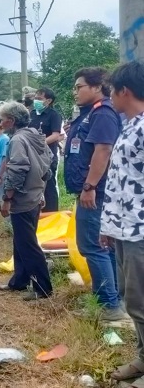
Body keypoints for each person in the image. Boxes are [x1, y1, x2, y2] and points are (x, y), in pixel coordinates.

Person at [64, 67, 124, 321]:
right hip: (91, 190)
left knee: (92, 246)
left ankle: (108, 305)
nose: (75, 92)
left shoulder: (103, 114)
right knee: (102, 246)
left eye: (79, 87)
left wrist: (89, 187)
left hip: (95, 192)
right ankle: (111, 298)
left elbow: (103, 151)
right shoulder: (90, 114)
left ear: (97, 86)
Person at [103, 61, 144, 385]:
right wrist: (109, 226)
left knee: (139, 301)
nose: (110, 98)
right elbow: (119, 181)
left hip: (140, 229)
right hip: (124, 227)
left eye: (112, 92)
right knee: (134, 300)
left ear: (124, 91)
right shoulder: (128, 124)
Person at [0, 101, 53, 301]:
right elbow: (47, 166)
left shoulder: (17, 140)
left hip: (23, 198)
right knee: (21, 240)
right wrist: (41, 191)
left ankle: (42, 288)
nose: (1, 123)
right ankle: (19, 281)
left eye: (2, 120)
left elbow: (18, 169)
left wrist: (7, 198)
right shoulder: (36, 136)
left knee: (27, 244)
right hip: (35, 196)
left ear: (11, 121)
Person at [29, 87, 63, 212]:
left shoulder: (54, 115)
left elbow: (56, 135)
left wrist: (40, 143)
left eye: (39, 99)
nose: (36, 101)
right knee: (34, 185)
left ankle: (52, 215)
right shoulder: (32, 114)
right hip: (32, 156)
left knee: (49, 187)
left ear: (48, 101)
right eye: (35, 98)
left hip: (47, 157)